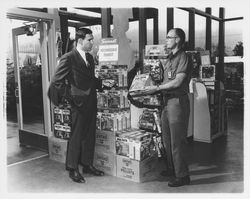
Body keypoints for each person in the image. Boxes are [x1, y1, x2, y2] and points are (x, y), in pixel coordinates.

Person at [48, 28, 106, 183]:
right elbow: (56, 82)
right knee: (76, 136)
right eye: (90, 39)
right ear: (80, 41)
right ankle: (72, 168)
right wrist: (71, 98)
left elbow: (90, 78)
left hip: (91, 101)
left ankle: (87, 164)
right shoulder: (68, 58)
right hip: (78, 103)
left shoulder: (90, 58)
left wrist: (103, 84)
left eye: (92, 39)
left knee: (89, 134)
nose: (92, 42)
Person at [144, 28, 193, 187]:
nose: (166, 40)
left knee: (177, 141)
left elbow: (178, 82)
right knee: (166, 140)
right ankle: (173, 169)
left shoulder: (183, 57)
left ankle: (183, 176)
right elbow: (163, 80)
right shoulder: (170, 58)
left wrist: (157, 89)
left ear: (178, 40)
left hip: (177, 102)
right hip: (166, 102)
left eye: (169, 37)